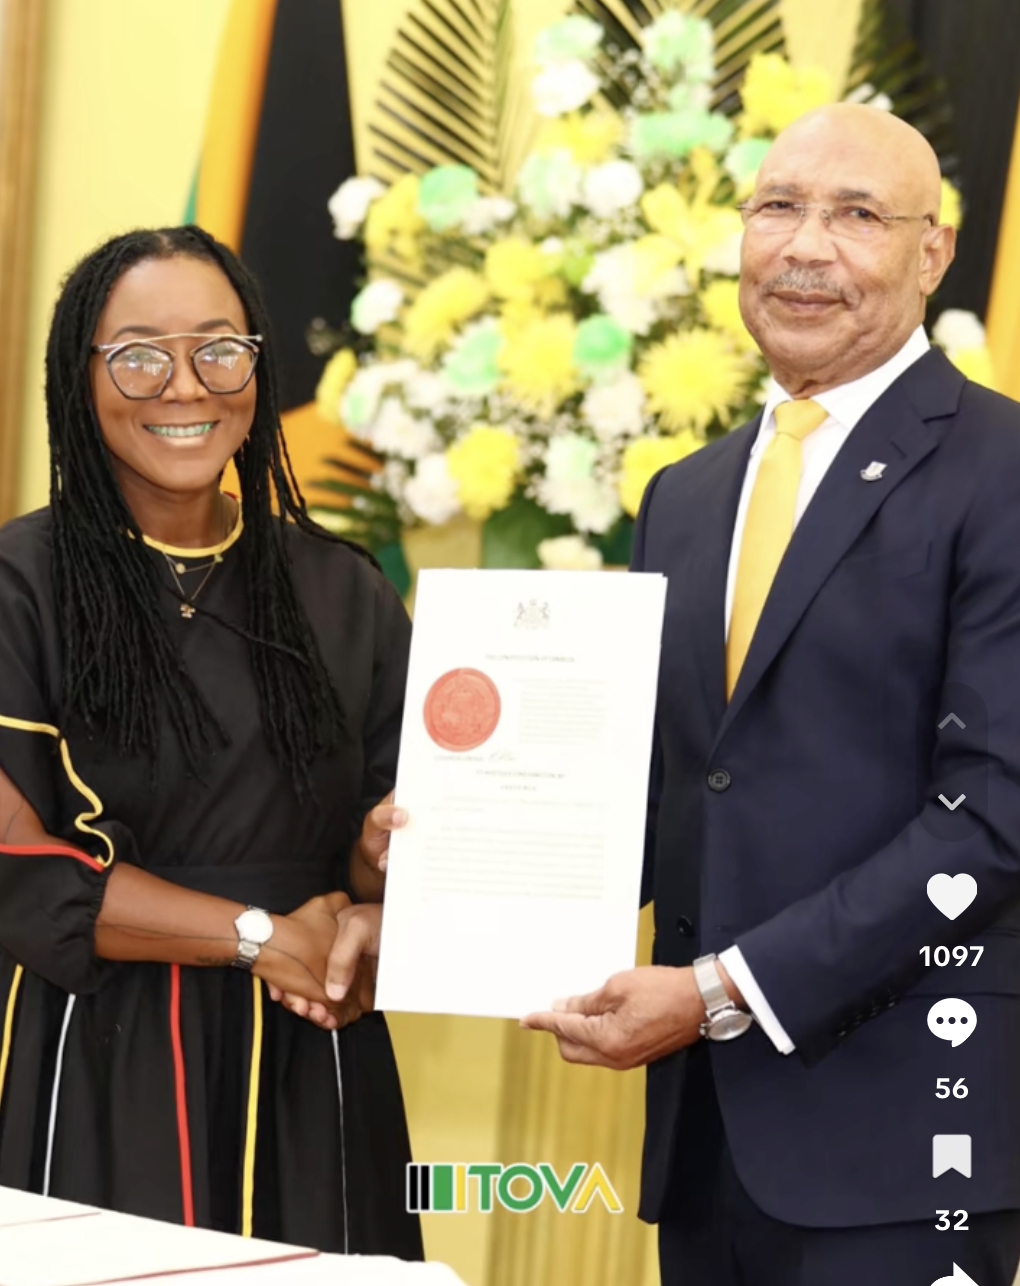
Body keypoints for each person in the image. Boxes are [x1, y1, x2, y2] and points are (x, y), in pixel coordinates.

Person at [523, 103, 1020, 1284]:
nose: (805, 246)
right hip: (705, 1143)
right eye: (778, 207)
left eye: (857, 215)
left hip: (906, 1135)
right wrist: (449, 867)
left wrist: (720, 991)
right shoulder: (685, 494)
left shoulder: (1000, 467)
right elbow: (676, 785)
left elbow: (996, 815)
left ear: (934, 252)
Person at [0, 225, 422, 1259]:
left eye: (219, 349)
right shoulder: (22, 584)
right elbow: (18, 864)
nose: (185, 385)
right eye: (139, 355)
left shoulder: (345, 588)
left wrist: (375, 880)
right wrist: (256, 933)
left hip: (312, 1049)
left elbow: (378, 846)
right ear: (79, 377)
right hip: (99, 1052)